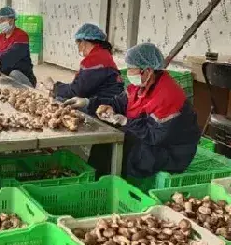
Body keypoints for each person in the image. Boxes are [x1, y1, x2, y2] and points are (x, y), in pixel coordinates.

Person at [70, 43, 199, 179]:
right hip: (151, 138)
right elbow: (118, 103)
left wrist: (126, 121)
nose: (128, 72)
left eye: (132, 69)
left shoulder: (167, 96)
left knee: (127, 152)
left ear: (147, 71)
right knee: (105, 143)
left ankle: (115, 184)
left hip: (171, 152)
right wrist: (88, 103)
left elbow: (156, 136)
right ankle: (96, 181)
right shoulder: (139, 87)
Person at [47, 24, 124, 113]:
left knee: (60, 100)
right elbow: (82, 84)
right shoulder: (102, 53)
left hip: (105, 106)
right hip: (105, 100)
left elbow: (77, 91)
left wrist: (54, 87)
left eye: (77, 43)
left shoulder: (95, 59)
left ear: (83, 42)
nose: (78, 48)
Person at [0, 7, 36, 87]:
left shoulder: (21, 35)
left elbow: (13, 55)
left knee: (14, 73)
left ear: (11, 20)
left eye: (2, 20)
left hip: (20, 75)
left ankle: (29, 87)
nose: (0, 23)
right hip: (4, 75)